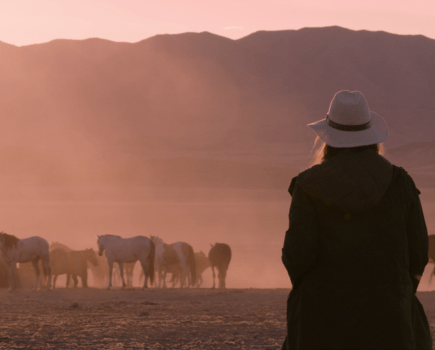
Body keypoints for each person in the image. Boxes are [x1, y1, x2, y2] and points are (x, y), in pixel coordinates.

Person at [281, 90, 432, 350]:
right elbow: (418, 254)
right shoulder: (401, 184)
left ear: (328, 138)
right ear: (370, 136)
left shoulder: (308, 186)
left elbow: (297, 256)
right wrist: (395, 293)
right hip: (389, 322)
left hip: (320, 322)